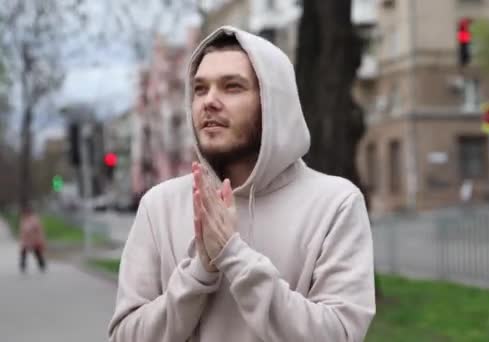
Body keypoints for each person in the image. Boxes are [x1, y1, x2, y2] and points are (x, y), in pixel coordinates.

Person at [109, 26, 375, 342]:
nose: (209, 101)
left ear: (271, 101)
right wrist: (199, 274)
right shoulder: (159, 206)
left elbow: (340, 335)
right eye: (200, 89)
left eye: (232, 87)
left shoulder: (335, 203)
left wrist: (234, 256)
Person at [19, 206, 46, 273]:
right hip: (26, 240)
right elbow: (22, 231)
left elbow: (38, 230)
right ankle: (23, 265)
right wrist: (22, 239)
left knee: (37, 252)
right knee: (23, 252)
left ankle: (42, 265)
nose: (25, 214)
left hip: (34, 239)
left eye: (26, 212)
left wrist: (40, 239)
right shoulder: (24, 219)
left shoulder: (34, 219)